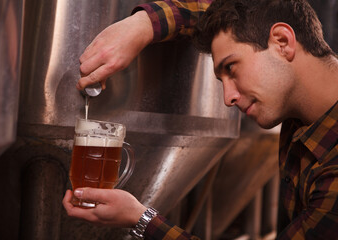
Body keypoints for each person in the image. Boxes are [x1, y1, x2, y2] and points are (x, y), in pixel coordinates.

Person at [63, 0, 338, 239]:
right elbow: (228, 11)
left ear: (282, 41)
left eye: (231, 68)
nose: (228, 98)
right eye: (221, 80)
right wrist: (144, 25)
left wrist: (142, 219)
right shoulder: (302, 113)